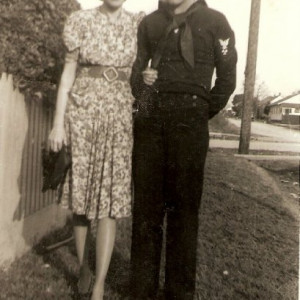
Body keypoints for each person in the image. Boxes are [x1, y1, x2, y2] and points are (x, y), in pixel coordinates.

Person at [130, 0, 237, 299]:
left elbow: (227, 79)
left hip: (190, 121)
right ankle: (141, 290)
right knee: (146, 210)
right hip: (151, 119)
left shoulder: (216, 21)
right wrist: (141, 81)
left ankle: (178, 292)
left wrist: (200, 111)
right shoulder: (149, 23)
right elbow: (136, 74)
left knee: (184, 211)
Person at [48, 1, 144, 299]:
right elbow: (66, 79)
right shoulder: (80, 21)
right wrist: (57, 125)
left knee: (109, 198)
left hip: (118, 116)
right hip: (82, 114)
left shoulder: (138, 25)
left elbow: (146, 70)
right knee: (82, 195)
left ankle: (99, 284)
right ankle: (83, 267)